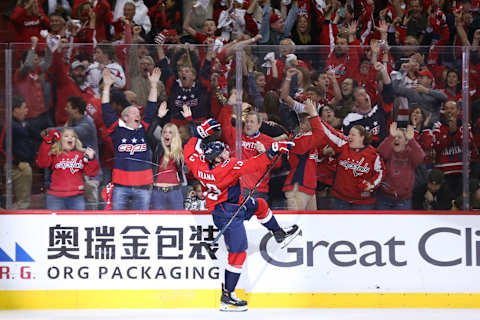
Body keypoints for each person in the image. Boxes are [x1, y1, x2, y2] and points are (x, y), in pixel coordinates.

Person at [184, 118, 300, 312]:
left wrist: (197, 134)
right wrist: (273, 150)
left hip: (230, 205)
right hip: (229, 213)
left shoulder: (200, 165)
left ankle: (278, 233)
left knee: (260, 204)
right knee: (238, 254)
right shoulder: (228, 167)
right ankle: (228, 296)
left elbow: (190, 152)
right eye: (224, 151)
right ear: (218, 159)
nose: (227, 151)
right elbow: (253, 164)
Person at [101, 68, 159, 210]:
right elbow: (106, 109)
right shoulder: (117, 130)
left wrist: (153, 86)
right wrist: (107, 87)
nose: (138, 114)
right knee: (117, 221)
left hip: (143, 186)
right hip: (121, 186)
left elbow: (151, 107)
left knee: (143, 220)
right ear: (125, 117)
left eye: (138, 113)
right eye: (134, 112)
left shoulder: (143, 128)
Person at [317, 120, 385, 210]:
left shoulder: (373, 155)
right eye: (349, 134)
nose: (349, 136)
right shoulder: (343, 145)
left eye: (353, 135)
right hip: (340, 199)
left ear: (362, 137)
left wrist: (371, 184)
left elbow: (380, 172)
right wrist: (315, 116)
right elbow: (329, 132)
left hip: (363, 203)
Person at [36, 128, 99, 210]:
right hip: (55, 197)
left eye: (73, 136)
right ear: (60, 140)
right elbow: (42, 163)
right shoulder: (55, 153)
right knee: (54, 222)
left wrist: (91, 159)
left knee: (76, 222)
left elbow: (91, 173)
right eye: (66, 136)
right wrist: (47, 141)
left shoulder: (81, 154)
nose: (70, 138)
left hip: (76, 196)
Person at [148, 101, 188, 210]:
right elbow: (149, 134)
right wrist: (159, 117)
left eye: (170, 132)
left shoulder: (180, 148)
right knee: (158, 223)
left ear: (174, 135)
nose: (166, 134)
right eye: (165, 132)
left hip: (175, 191)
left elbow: (193, 139)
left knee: (178, 222)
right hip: (157, 191)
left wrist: (189, 119)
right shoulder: (157, 146)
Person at [376, 122, 425, 210]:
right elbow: (381, 153)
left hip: (403, 200)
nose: (396, 139)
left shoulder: (411, 153)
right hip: (384, 197)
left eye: (399, 137)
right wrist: (390, 136)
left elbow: (420, 158)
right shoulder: (388, 150)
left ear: (406, 141)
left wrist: (412, 140)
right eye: (395, 137)